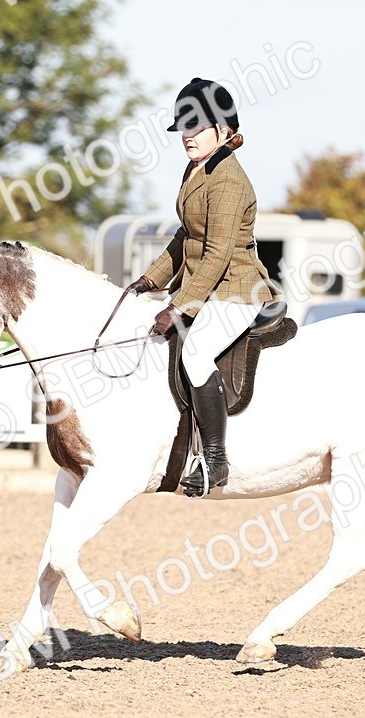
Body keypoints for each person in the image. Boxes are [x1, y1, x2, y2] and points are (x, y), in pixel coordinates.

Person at [127, 77, 280, 497]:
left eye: (196, 128)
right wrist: (151, 279)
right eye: (183, 128)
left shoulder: (228, 181)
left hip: (237, 289)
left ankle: (215, 459)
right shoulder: (198, 170)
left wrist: (179, 307)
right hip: (210, 286)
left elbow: (216, 255)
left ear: (222, 128)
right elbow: (186, 236)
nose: (187, 137)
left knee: (195, 353)